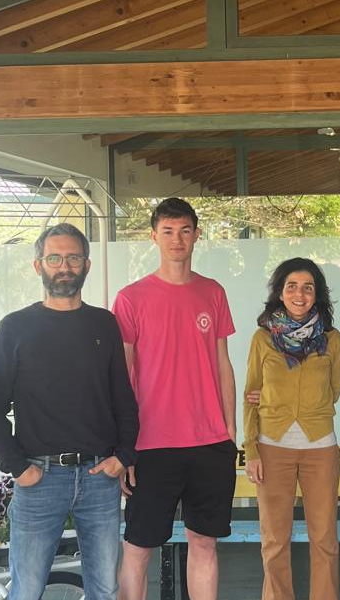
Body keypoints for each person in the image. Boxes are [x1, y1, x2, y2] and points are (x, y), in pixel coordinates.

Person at [0, 223, 140, 600]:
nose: (64, 266)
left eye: (73, 258)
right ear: (38, 265)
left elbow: (123, 398)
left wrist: (124, 456)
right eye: (54, 258)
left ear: (87, 265)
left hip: (99, 478)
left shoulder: (104, 323)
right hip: (39, 479)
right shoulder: (14, 328)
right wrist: (18, 467)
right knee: (27, 590)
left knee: (105, 588)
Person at [113, 198, 237, 600]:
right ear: (154, 236)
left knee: (204, 544)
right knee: (138, 548)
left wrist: (230, 430)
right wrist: (124, 446)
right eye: (167, 231)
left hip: (209, 442)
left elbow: (223, 363)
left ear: (196, 235)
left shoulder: (212, 292)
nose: (177, 239)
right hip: (151, 445)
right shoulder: (131, 298)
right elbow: (121, 377)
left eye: (185, 230)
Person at [243, 258, 340, 600]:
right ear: (280, 292)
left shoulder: (331, 339)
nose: (299, 294)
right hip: (272, 446)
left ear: (317, 295)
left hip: (320, 446)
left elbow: (334, 390)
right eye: (292, 286)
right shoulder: (262, 338)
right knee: (274, 540)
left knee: (325, 539)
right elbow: (250, 395)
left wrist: (285, 398)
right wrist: (251, 449)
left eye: (307, 287)